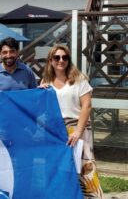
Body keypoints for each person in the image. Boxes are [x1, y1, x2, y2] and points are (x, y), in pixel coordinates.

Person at [40, 44, 104, 199]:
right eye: (57, 57)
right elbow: (43, 109)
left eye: (64, 57)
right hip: (57, 132)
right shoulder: (46, 81)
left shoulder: (79, 80)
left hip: (78, 129)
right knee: (61, 170)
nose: (61, 60)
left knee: (85, 169)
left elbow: (87, 106)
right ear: (50, 61)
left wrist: (78, 132)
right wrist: (40, 93)